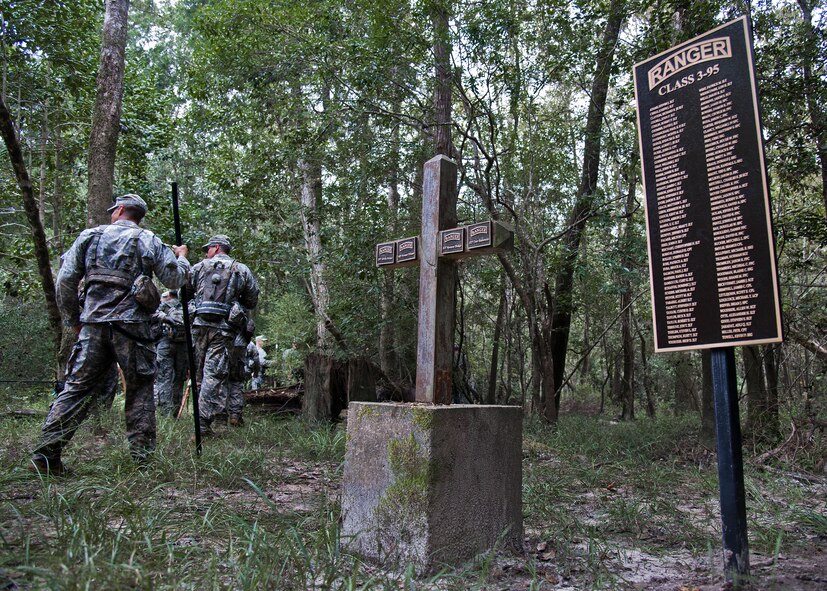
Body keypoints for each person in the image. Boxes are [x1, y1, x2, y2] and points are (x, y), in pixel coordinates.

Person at [29, 194, 190, 475]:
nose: (112, 213)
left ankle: (45, 456)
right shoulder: (150, 240)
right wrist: (182, 259)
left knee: (77, 388)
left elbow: (65, 280)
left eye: (114, 209)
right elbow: (176, 279)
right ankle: (143, 464)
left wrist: (73, 320)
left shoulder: (89, 237)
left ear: (121, 210)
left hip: (93, 325)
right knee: (139, 392)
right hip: (133, 329)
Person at [190, 235, 259, 435]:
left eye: (208, 248)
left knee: (201, 372)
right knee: (214, 373)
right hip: (224, 329)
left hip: (199, 326)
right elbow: (251, 300)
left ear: (217, 247)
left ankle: (205, 420)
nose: (206, 252)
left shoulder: (198, 267)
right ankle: (202, 424)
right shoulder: (241, 269)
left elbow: (182, 293)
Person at [153, 290, 188, 417]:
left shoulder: (163, 306)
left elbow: (152, 315)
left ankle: (166, 413)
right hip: (183, 347)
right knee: (179, 379)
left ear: (169, 295)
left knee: (164, 377)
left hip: (165, 344)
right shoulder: (187, 306)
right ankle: (176, 412)